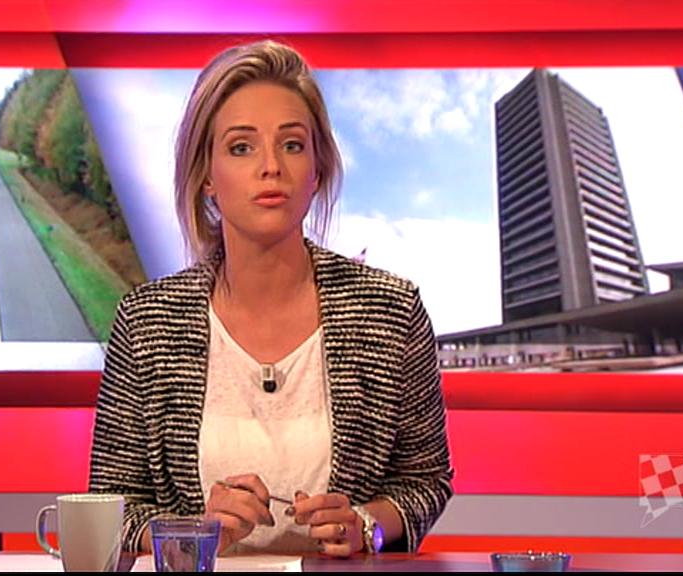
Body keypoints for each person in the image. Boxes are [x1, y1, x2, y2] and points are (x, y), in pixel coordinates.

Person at [89, 39, 453, 557]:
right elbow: (111, 505)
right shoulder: (147, 321)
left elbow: (424, 481)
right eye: (242, 147)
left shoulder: (391, 311)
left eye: (292, 145)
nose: (271, 167)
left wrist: (366, 526)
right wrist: (194, 531)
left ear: (317, 170)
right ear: (206, 176)